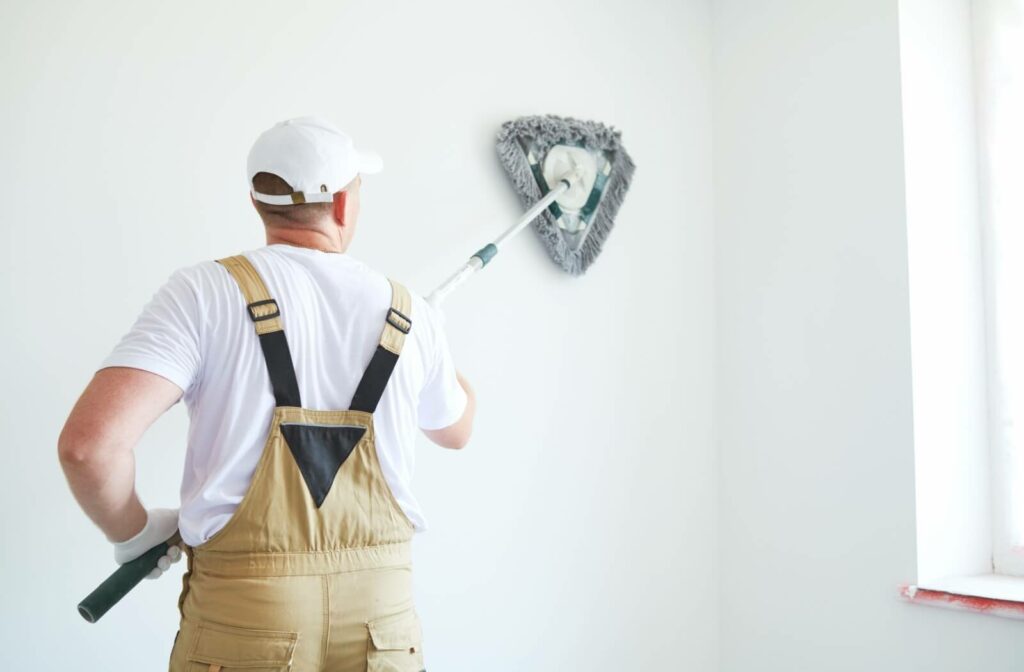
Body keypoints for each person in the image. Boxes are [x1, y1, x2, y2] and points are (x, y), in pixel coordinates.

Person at [57, 116, 475, 672]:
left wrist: (134, 534)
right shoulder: (412, 314)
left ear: (258, 202)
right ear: (345, 206)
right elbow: (456, 429)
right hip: (383, 627)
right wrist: (434, 335)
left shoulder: (202, 293)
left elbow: (89, 448)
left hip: (246, 619)